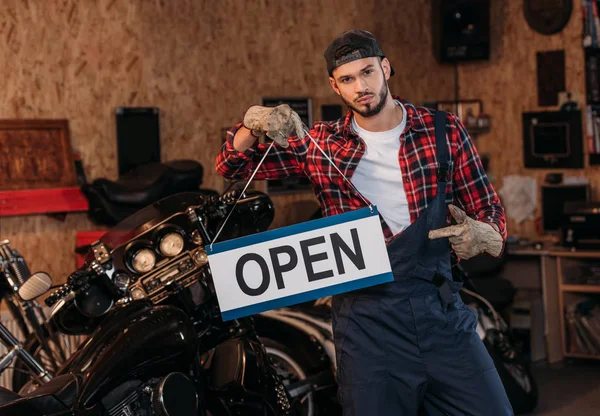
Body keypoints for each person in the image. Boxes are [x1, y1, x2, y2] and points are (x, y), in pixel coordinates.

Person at [215, 29, 513, 416]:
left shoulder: (443, 131)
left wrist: (487, 233)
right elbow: (230, 166)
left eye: (368, 72)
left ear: (386, 68)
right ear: (335, 87)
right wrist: (251, 127)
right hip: (366, 325)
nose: (361, 86)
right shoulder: (320, 145)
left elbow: (489, 208)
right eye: (348, 79)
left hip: (440, 312)